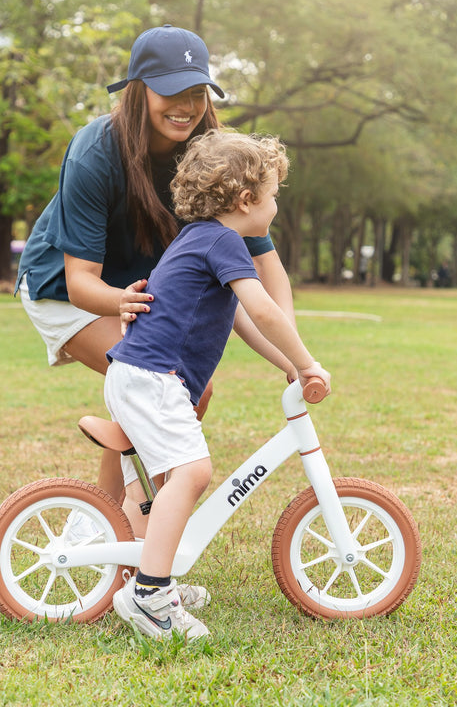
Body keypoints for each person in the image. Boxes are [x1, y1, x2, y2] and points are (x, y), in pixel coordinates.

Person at [14, 24, 296, 521]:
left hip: (139, 290)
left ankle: (123, 526)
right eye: (170, 92)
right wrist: (119, 302)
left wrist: (292, 352)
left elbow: (264, 265)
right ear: (138, 91)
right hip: (68, 291)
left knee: (173, 390)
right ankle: (106, 525)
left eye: (195, 90)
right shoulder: (96, 150)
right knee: (168, 384)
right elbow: (81, 281)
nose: (185, 105)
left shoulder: (216, 156)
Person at [106, 130, 331, 641]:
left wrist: (288, 363)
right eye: (274, 194)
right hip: (152, 378)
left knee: (163, 484)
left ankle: (150, 574)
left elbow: (239, 321)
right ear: (247, 199)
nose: (276, 204)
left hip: (140, 375)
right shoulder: (225, 241)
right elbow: (262, 308)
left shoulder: (200, 237)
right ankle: (150, 595)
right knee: (192, 472)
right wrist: (308, 360)